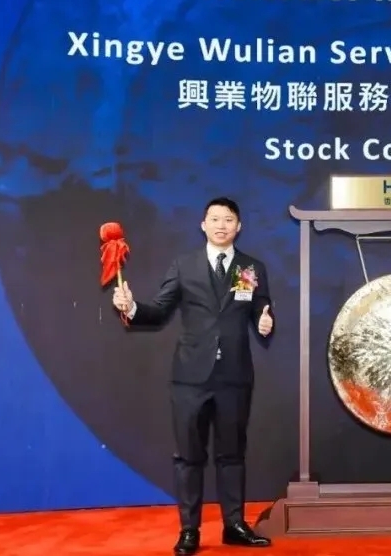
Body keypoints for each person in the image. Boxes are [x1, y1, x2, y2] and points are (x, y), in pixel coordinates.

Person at [112, 197, 274, 555]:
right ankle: (189, 530)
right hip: (190, 377)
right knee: (189, 456)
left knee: (232, 454)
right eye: (214, 219)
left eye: (228, 219)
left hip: (234, 376)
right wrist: (132, 307)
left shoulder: (249, 268)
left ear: (238, 226)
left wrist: (265, 319)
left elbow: (258, 306)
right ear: (203, 225)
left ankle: (234, 525)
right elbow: (159, 310)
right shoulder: (184, 266)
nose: (221, 225)